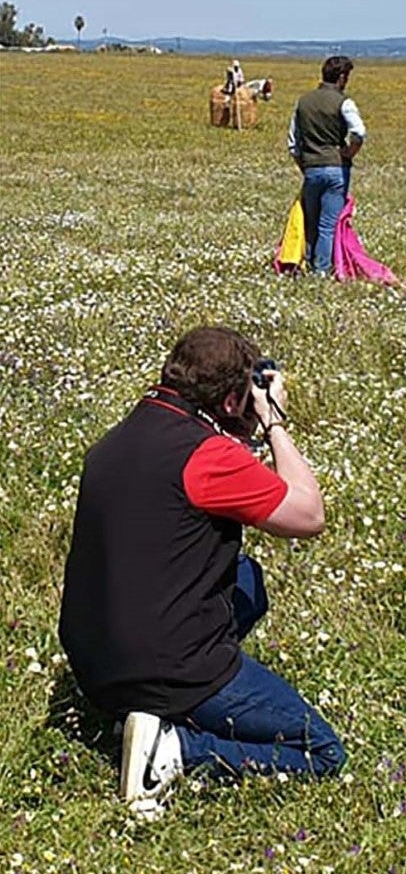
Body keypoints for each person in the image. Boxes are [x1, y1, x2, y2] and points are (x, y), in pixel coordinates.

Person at [58, 326, 344, 817]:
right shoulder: (207, 456)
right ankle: (174, 750)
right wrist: (274, 422)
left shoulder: (119, 439)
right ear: (233, 400)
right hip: (165, 665)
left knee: (246, 579)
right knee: (320, 750)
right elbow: (308, 516)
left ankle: (136, 715)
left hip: (93, 662)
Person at [287, 55, 367, 278]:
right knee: (328, 224)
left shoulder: (303, 102)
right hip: (336, 169)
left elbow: (293, 144)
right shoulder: (344, 102)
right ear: (342, 78)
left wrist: (305, 166)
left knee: (310, 221)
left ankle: (308, 265)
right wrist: (350, 152)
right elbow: (359, 132)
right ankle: (321, 271)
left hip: (311, 169)